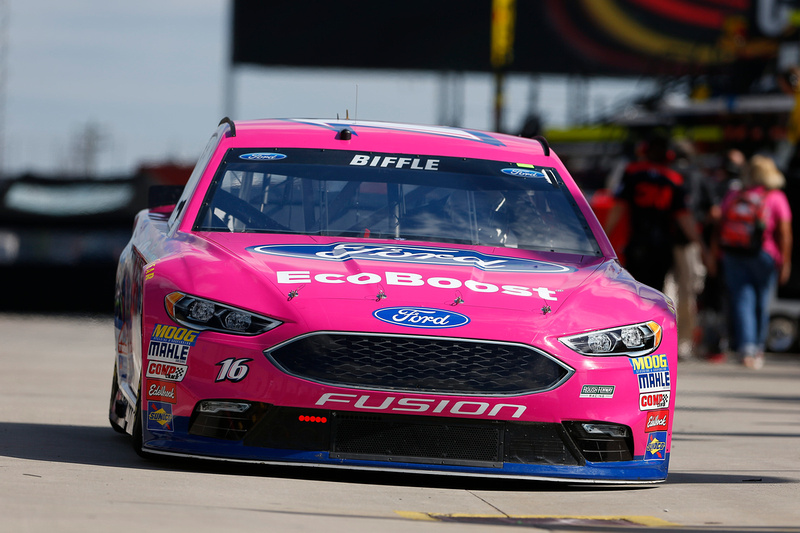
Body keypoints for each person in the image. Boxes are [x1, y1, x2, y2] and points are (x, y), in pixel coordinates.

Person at [715, 154, 793, 369]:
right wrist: (785, 262)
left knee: (742, 301)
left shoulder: (734, 194)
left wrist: (715, 255)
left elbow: (720, 225)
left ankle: (746, 348)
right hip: (764, 255)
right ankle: (757, 348)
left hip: (733, 254)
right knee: (761, 302)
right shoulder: (775, 197)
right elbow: (785, 232)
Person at [605, 134, 708, 293]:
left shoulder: (633, 172)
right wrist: (701, 245)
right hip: (662, 246)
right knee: (655, 292)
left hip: (637, 242)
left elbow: (618, 208)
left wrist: (604, 236)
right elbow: (684, 217)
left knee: (634, 290)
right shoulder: (673, 179)